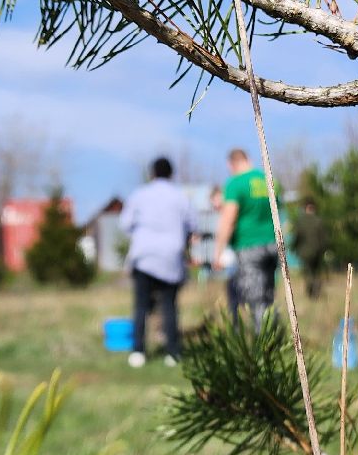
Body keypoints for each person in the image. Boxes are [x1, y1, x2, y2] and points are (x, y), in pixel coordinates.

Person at [119, 156, 196, 367]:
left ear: (152, 173)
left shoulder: (140, 194)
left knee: (141, 306)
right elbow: (192, 225)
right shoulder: (180, 197)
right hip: (171, 258)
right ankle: (172, 353)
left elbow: (125, 224)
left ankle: (138, 352)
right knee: (169, 306)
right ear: (171, 174)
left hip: (144, 256)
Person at [215, 148, 279, 326]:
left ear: (232, 164)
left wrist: (218, 252)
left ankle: (264, 345)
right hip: (273, 245)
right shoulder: (269, 180)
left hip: (249, 247)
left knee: (255, 300)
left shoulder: (236, 183)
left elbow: (228, 220)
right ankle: (274, 336)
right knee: (268, 296)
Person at [292, 199, 331, 301]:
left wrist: (294, 247)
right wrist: (323, 250)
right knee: (316, 273)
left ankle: (310, 293)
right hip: (317, 252)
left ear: (305, 209)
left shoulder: (300, 221)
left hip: (304, 253)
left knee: (308, 273)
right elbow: (324, 239)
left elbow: (297, 237)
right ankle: (316, 293)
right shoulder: (319, 221)